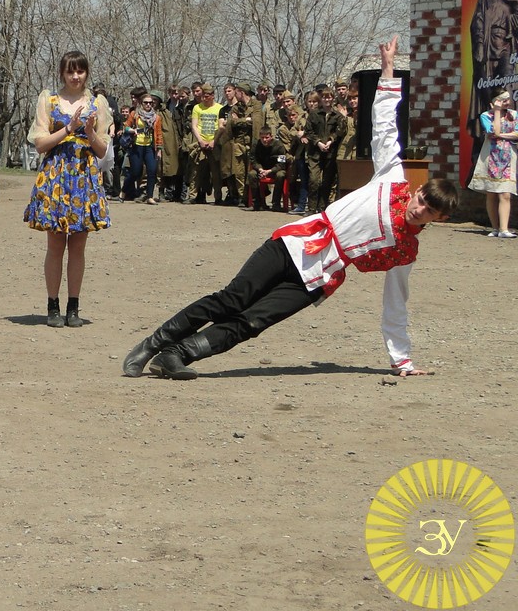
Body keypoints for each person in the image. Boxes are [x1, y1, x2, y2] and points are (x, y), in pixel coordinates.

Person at [121, 36, 459, 381]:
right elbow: (386, 127)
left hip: (320, 274)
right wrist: (388, 71)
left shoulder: (405, 250)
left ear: (439, 218)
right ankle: (151, 344)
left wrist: (402, 361)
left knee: (254, 322)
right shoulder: (394, 180)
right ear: (417, 191)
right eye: (423, 200)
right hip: (296, 242)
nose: (421, 209)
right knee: (232, 299)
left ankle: (177, 355)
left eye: (431, 210)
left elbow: (396, 303)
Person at [23, 51, 112, 328]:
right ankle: (53, 306)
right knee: (55, 245)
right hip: (56, 177)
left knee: (78, 247)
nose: (75, 76)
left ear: (87, 73)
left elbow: (104, 152)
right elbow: (39, 143)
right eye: (70, 71)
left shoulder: (97, 103)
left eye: (80, 71)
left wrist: (89, 132)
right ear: (62, 72)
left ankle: (73, 307)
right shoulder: (48, 100)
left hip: (84, 178)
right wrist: (68, 129)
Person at [467, 88, 517, 237]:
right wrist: (496, 112)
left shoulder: (513, 115)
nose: (507, 102)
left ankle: (504, 229)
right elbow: (493, 131)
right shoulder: (485, 115)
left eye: (508, 99)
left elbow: (516, 133)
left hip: (508, 155)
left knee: (505, 193)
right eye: (503, 100)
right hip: (491, 155)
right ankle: (495, 228)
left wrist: (501, 135)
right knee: (492, 192)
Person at [122, 91, 163, 204]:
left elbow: (159, 134)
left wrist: (159, 149)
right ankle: (124, 190)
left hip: (149, 147)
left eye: (151, 103)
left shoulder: (157, 118)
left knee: (152, 170)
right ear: (141, 103)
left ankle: (150, 196)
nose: (149, 105)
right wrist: (132, 130)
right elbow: (125, 126)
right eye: (146, 103)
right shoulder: (135, 114)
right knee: (135, 172)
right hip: (137, 146)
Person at [247, 127, 290, 211]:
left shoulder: (279, 146)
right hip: (261, 169)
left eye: (267, 137)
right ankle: (257, 203)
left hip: (275, 170)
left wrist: (270, 171)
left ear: (271, 136)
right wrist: (260, 169)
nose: (264, 140)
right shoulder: (256, 145)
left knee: (281, 175)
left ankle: (276, 203)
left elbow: (282, 163)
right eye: (262, 137)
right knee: (251, 174)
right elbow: (253, 160)